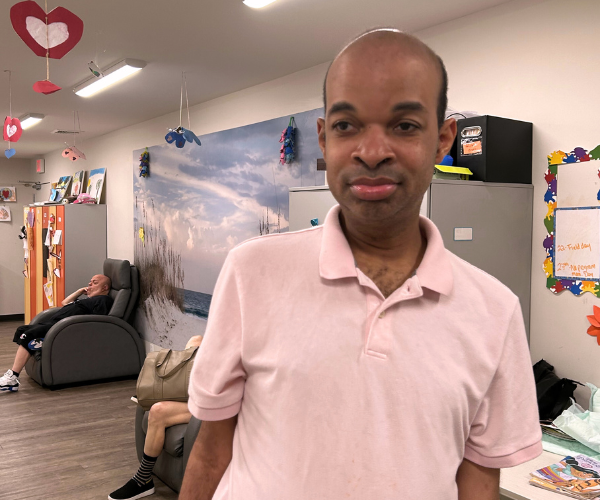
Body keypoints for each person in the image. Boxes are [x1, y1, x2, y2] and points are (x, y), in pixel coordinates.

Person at [180, 29, 542, 500]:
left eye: (405, 125)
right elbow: (212, 449)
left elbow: (479, 479)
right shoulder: (253, 272)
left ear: (443, 140)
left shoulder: (495, 310)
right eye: (347, 126)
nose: (372, 152)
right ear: (323, 138)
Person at [108, 335, 204, 500]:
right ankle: (168, 389)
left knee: (158, 411)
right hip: (207, 391)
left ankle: (142, 479)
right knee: (196, 341)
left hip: (223, 403)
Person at [0, 274, 113, 392]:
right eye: (90, 282)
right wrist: (79, 291)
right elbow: (65, 302)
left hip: (61, 328)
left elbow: (97, 322)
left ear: (104, 288)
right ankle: (41, 343)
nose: (90, 284)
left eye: (95, 283)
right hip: (54, 324)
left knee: (29, 335)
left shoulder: (103, 300)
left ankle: (13, 377)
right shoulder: (87, 300)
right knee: (22, 330)